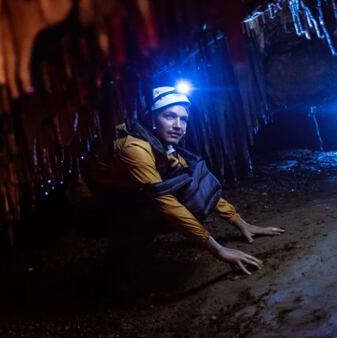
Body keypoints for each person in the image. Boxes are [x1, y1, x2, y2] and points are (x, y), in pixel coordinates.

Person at [107, 85, 284, 278]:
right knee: (154, 208)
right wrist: (218, 249)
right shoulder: (135, 148)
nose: (178, 125)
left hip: (124, 196)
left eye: (183, 119)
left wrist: (241, 223)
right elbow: (166, 203)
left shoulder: (164, 149)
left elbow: (200, 188)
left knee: (187, 179)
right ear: (152, 118)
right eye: (169, 116)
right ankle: (119, 273)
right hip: (93, 204)